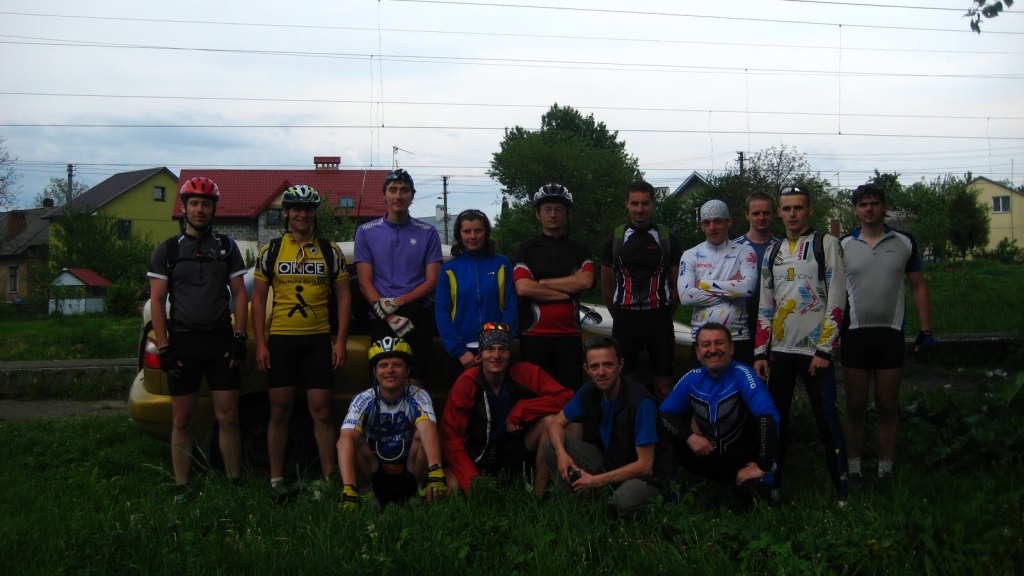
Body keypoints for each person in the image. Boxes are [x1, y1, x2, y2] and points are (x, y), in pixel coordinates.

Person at [148, 176, 248, 501]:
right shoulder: (168, 250)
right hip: (183, 342)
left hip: (220, 341)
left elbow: (240, 293)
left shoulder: (226, 247)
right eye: (194, 203)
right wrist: (164, 346)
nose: (200, 209)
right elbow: (158, 302)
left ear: (213, 209)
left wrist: (240, 337)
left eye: (206, 204)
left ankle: (235, 483)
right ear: (184, 207)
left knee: (229, 416)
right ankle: (183, 486)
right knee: (182, 418)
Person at [753, 186, 848, 506]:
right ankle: (773, 484)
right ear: (779, 212)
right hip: (779, 351)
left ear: (810, 210)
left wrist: (825, 349)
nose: (792, 214)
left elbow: (837, 298)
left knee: (827, 419)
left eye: (798, 207)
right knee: (776, 420)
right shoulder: (773, 251)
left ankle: (841, 488)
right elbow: (765, 303)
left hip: (814, 353)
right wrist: (760, 351)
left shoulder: (826, 243)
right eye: (786, 208)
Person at [252, 185, 351, 492]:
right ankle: (276, 479)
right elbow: (258, 300)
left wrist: (340, 341)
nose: (302, 214)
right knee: (279, 411)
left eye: (308, 209)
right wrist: (260, 343)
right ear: (286, 213)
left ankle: (329, 478)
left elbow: (344, 298)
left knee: (322, 411)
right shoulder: (270, 251)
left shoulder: (330, 250)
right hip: (281, 340)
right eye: (296, 208)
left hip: (318, 340)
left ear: (314, 214)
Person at [840, 183, 934, 480]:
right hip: (854, 334)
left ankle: (886, 469)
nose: (869, 209)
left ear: (884, 207)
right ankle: (853, 467)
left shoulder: (904, 242)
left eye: (874, 203)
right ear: (855, 210)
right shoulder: (842, 245)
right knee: (854, 406)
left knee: (887, 405)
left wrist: (926, 329)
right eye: (863, 204)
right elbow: (831, 292)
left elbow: (918, 286)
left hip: (891, 334)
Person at [544, 336, 674, 518]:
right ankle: (575, 506)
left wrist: (594, 481)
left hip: (649, 476)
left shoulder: (640, 402)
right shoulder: (589, 391)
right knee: (551, 447)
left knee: (623, 502)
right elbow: (557, 423)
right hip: (611, 461)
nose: (601, 372)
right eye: (595, 367)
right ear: (586, 369)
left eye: (608, 365)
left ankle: (619, 505)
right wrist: (562, 456)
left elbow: (645, 466)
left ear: (620, 365)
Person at [442, 322, 573, 497]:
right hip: (476, 454)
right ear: (480, 354)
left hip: (515, 449)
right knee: (452, 487)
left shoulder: (525, 373)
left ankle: (538, 496)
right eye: (490, 349)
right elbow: (451, 438)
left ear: (509, 353)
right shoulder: (467, 382)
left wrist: (524, 409)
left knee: (552, 422)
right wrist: (473, 483)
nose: (496, 355)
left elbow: (567, 398)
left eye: (502, 349)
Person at [659, 323, 779, 506]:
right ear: (697, 352)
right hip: (711, 456)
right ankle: (670, 490)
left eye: (719, 343)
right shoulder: (692, 378)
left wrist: (762, 464)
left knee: (754, 495)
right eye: (706, 345)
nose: (713, 350)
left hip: (744, 460)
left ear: (731, 348)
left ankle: (768, 479)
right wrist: (689, 437)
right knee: (662, 431)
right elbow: (664, 414)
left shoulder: (743, 375)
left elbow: (769, 418)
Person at [354, 169, 443, 386]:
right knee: (385, 384)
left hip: (417, 316)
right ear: (384, 195)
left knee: (415, 384)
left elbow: (432, 281)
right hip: (382, 317)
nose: (398, 196)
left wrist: (398, 302)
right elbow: (364, 282)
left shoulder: (428, 232)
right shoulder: (365, 232)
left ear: (412, 196)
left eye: (404, 190)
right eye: (393, 190)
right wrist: (389, 317)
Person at [338, 337, 448, 509]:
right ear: (374, 371)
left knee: (422, 436)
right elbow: (345, 439)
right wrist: (348, 487)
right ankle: (367, 500)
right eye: (383, 365)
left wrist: (436, 468)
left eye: (397, 365)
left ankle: (421, 496)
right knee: (354, 441)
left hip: (409, 468)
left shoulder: (418, 395)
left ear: (407, 370)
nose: (390, 370)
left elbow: (428, 428)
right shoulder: (363, 399)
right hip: (375, 468)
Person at [601, 181, 682, 400]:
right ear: (626, 204)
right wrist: (619, 315)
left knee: (664, 385)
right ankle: (629, 422)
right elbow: (606, 289)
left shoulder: (667, 239)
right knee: (623, 383)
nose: (640, 209)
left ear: (653, 204)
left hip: (659, 318)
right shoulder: (615, 239)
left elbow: (677, 288)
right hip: (625, 318)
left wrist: (665, 313)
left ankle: (665, 421)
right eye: (634, 203)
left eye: (645, 203)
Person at [514, 183, 595, 391]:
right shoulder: (526, 249)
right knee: (535, 396)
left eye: (559, 209)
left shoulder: (579, 249)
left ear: (567, 214)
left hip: (569, 335)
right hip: (534, 336)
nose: (553, 214)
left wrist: (543, 283)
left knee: (569, 395)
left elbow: (585, 281)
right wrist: (566, 293)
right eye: (547, 209)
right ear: (538, 214)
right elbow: (523, 288)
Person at [435, 209, 518, 386]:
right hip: (461, 354)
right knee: (461, 401)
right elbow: (442, 312)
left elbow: (511, 306)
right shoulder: (448, 269)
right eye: (467, 231)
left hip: (496, 352)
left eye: (478, 231)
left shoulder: (502, 264)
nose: (472, 236)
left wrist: (499, 344)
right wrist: (459, 351)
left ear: (486, 233)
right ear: (459, 234)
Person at [678, 199, 759, 367]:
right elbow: (685, 297)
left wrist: (703, 284)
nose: (712, 227)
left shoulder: (744, 251)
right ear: (701, 225)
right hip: (702, 339)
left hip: (737, 337)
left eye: (717, 221)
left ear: (728, 221)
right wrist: (733, 289)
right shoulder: (690, 255)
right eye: (707, 222)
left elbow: (748, 288)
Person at [734, 191, 779, 344]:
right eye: (756, 213)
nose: (761, 217)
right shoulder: (733, 249)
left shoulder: (782, 250)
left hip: (774, 325)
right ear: (747, 215)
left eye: (766, 213)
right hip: (740, 327)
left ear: (774, 214)